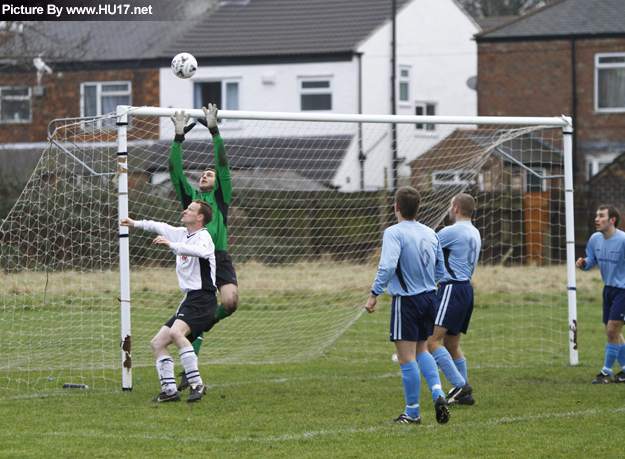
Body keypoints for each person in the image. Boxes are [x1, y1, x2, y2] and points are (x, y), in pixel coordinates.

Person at [365, 186, 450, 425]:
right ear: (418, 208)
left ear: (396, 208)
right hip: (429, 298)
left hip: (407, 301)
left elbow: (388, 265)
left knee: (405, 357)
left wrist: (374, 294)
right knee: (422, 349)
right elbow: (440, 269)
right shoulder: (431, 232)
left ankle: (412, 412)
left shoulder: (394, 232)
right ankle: (438, 393)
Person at [169, 104, 238, 391]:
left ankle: (207, 323)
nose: (206, 175)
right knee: (198, 311)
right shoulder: (192, 201)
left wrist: (214, 130)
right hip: (197, 260)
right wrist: (178, 137)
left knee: (231, 303)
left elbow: (222, 163)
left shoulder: (220, 197)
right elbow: (175, 171)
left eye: (210, 173)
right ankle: (189, 371)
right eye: (203, 173)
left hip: (219, 257)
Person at [121, 200, 217, 402]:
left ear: (200, 217)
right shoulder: (183, 233)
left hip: (203, 298)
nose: (185, 210)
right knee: (157, 343)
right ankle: (170, 392)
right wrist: (134, 223)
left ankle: (196, 384)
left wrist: (171, 245)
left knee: (175, 333)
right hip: (190, 299)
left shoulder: (204, 237)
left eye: (190, 209)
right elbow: (158, 226)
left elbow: (198, 251)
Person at [427, 193, 480, 405]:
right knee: (451, 342)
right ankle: (465, 395)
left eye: (450, 206)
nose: (449, 210)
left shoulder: (452, 231)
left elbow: (425, 246)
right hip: (466, 288)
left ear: (456, 208)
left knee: (431, 339)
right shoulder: (474, 232)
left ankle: (460, 385)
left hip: (452, 288)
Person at [576, 204, 625, 384]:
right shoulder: (595, 239)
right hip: (609, 290)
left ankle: (606, 372)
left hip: (623, 290)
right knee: (612, 332)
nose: (597, 219)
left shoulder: (623, 240)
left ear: (612, 220)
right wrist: (583, 263)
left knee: (612, 330)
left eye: (601, 216)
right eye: (596, 215)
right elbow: (591, 260)